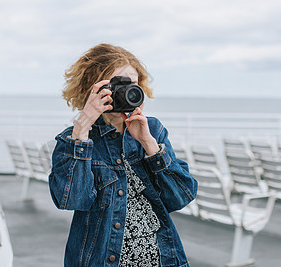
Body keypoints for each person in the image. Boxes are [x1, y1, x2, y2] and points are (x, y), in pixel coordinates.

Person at [49, 43, 197, 267]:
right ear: (92, 88)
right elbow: (71, 199)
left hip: (162, 259)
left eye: (133, 85)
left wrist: (148, 144)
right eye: (117, 85)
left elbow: (180, 197)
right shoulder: (73, 140)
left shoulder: (153, 130)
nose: (126, 92)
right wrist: (82, 128)